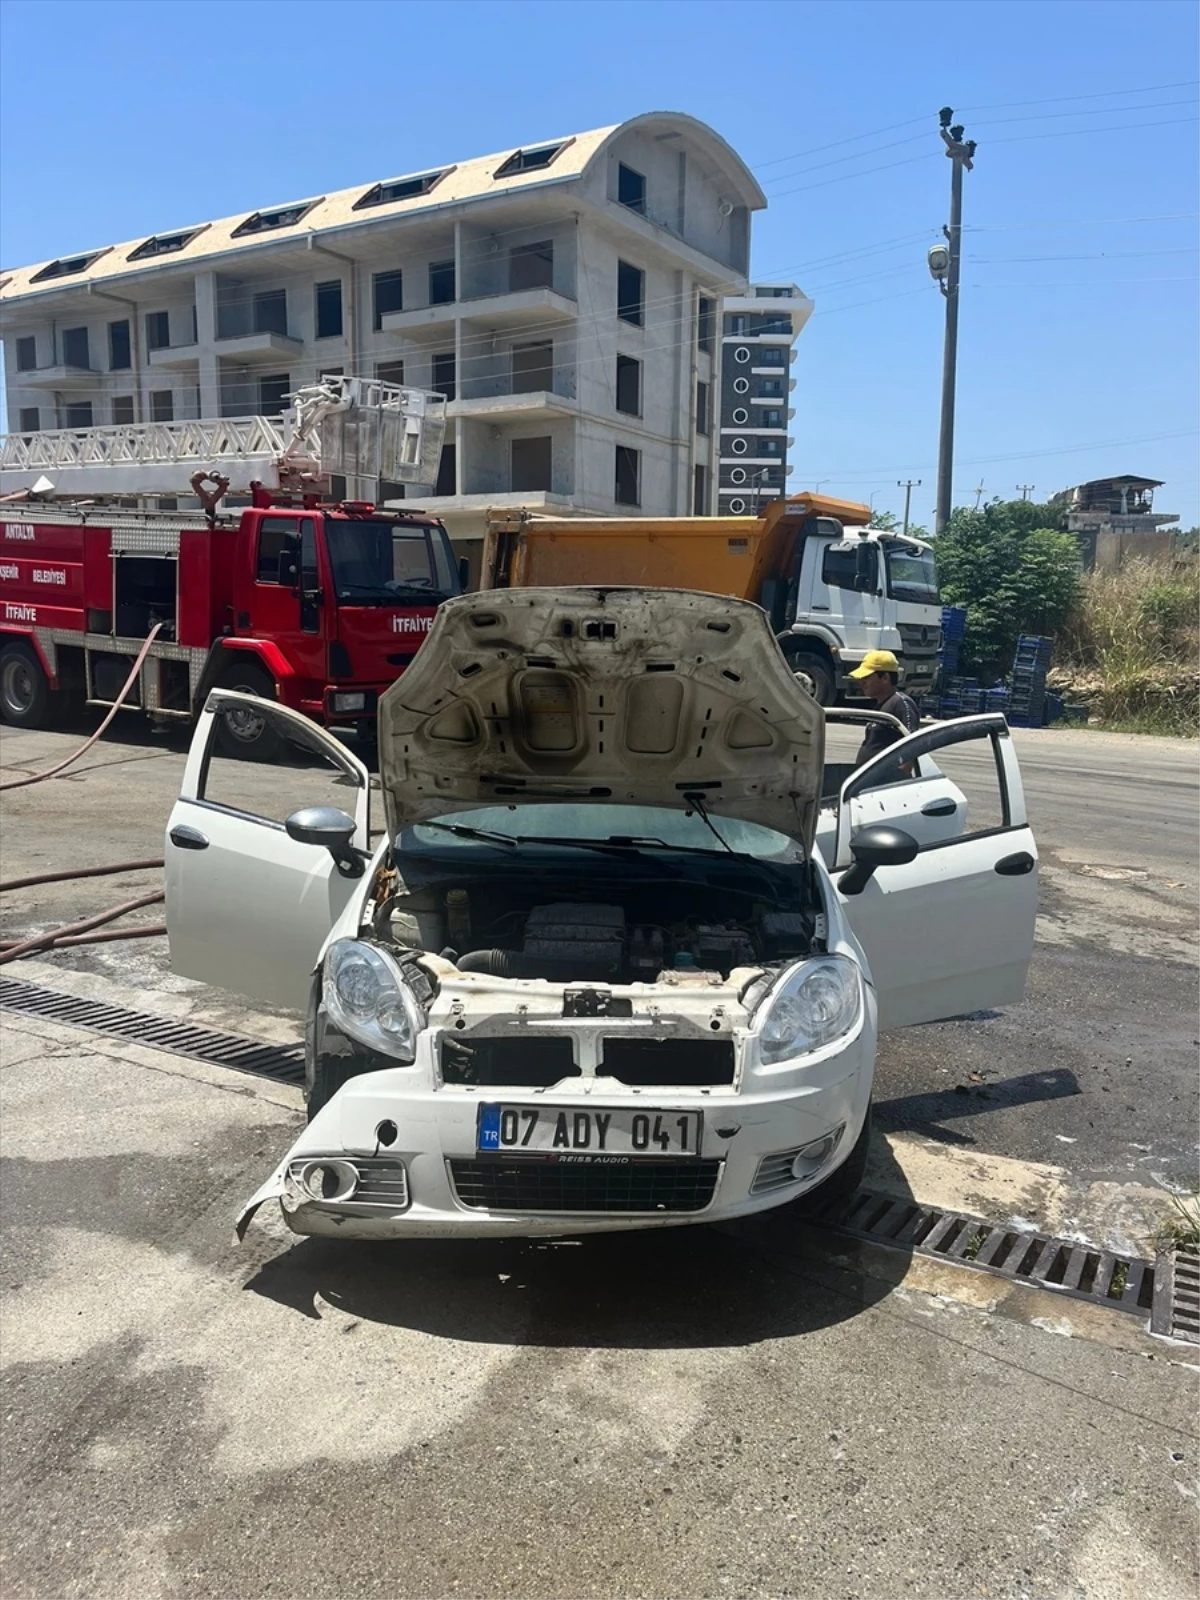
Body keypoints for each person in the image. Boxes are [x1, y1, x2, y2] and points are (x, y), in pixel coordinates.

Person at [848, 650, 921, 767]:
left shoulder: (901, 703)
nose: (861, 682)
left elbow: (911, 747)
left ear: (885, 678)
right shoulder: (881, 706)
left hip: (886, 781)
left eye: (866, 677)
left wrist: (898, 777)